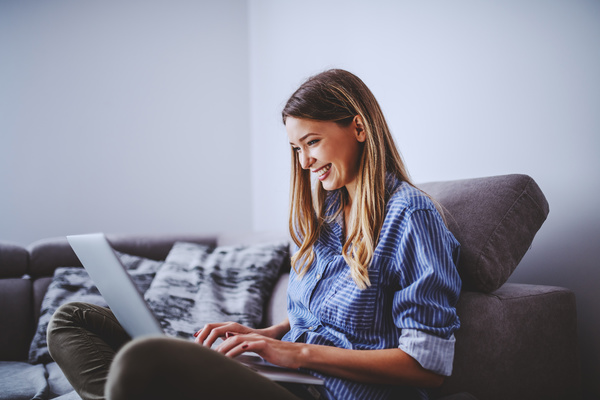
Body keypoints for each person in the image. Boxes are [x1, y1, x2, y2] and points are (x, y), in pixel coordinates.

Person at [47, 69, 461, 400]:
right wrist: (262, 337)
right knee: (72, 319)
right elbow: (319, 317)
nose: (304, 162)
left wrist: (296, 354)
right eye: (297, 149)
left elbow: (427, 366)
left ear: (358, 128)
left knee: (146, 360)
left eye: (312, 142)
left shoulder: (411, 217)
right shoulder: (327, 213)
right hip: (289, 376)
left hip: (331, 392)